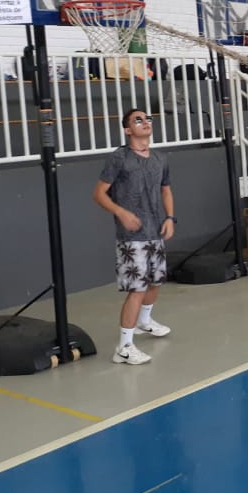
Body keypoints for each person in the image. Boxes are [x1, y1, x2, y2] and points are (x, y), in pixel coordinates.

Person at [93, 109, 176, 366]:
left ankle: (144, 321)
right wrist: (121, 212)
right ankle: (124, 347)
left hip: (155, 231)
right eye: (137, 120)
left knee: (155, 282)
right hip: (132, 237)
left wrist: (170, 218)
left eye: (147, 118)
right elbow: (99, 194)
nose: (145, 122)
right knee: (137, 289)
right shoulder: (119, 157)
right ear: (128, 130)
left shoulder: (160, 158)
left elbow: (166, 190)